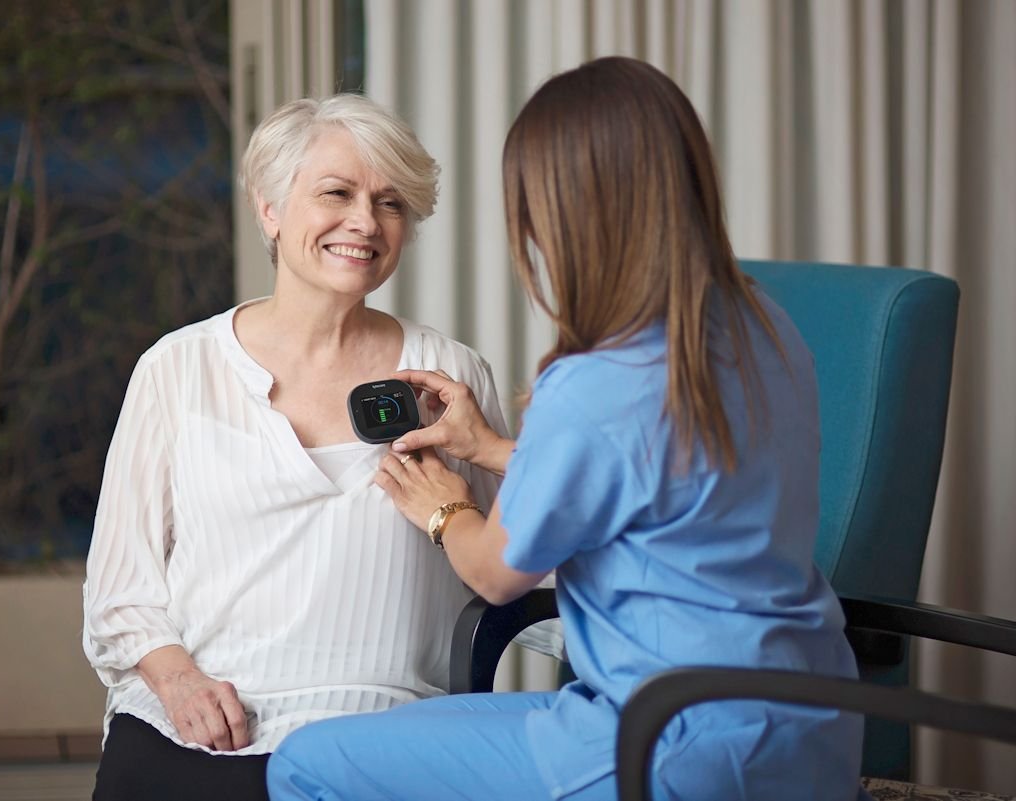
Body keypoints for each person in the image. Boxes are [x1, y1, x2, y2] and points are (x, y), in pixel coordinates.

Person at [267, 56, 867, 801]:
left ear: (564, 212)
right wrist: (489, 447)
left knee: (304, 764)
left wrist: (443, 507)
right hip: (814, 736)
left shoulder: (592, 380)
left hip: (664, 748)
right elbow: (670, 484)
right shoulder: (768, 327)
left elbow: (495, 570)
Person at [81, 94, 513, 801]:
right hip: (199, 717)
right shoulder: (177, 368)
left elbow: (512, 559)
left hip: (382, 729)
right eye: (337, 193)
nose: (366, 223)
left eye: (391, 203)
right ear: (270, 210)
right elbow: (118, 593)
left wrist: (479, 466)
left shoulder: (450, 378)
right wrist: (179, 679)